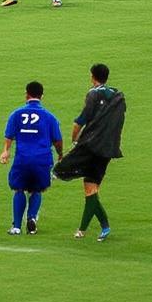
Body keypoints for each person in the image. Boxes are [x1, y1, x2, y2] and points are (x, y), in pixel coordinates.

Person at [53, 63, 125, 241]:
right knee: (90, 187)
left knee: (59, 169)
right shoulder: (118, 96)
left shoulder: (93, 94)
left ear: (92, 76)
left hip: (91, 146)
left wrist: (75, 140)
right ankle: (99, 227)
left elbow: (80, 121)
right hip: (108, 148)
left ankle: (49, 177)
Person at [0, 81, 64, 235]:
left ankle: (16, 227)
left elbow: (9, 136)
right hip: (42, 159)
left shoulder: (16, 114)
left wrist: (5, 151)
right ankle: (32, 218)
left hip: (22, 159)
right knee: (37, 189)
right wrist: (60, 154)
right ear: (42, 96)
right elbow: (58, 140)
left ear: (26, 94)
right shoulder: (49, 117)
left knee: (19, 189)